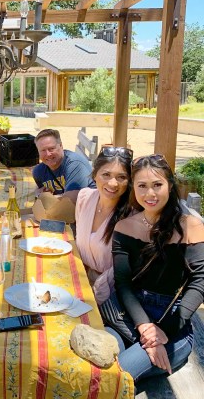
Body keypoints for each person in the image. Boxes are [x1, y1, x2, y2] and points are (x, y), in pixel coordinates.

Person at [104, 154, 204, 383]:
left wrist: (162, 333)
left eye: (157, 185)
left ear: (170, 184)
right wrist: (145, 328)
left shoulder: (190, 226)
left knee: (118, 377)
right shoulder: (124, 227)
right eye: (142, 186)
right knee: (96, 369)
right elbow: (123, 283)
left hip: (172, 322)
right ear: (133, 188)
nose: (150, 194)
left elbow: (200, 280)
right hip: (128, 317)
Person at [75, 146, 133, 305]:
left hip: (111, 295)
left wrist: (93, 294)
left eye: (121, 177)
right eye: (106, 174)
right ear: (95, 175)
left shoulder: (130, 216)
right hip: (81, 281)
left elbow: (124, 270)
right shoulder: (84, 198)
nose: (113, 183)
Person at [32, 128, 95, 200]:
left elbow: (71, 200)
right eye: (43, 150)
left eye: (51, 148)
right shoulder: (38, 172)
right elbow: (40, 193)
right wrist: (39, 192)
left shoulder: (74, 164)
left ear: (61, 146)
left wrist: (47, 198)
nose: (48, 154)